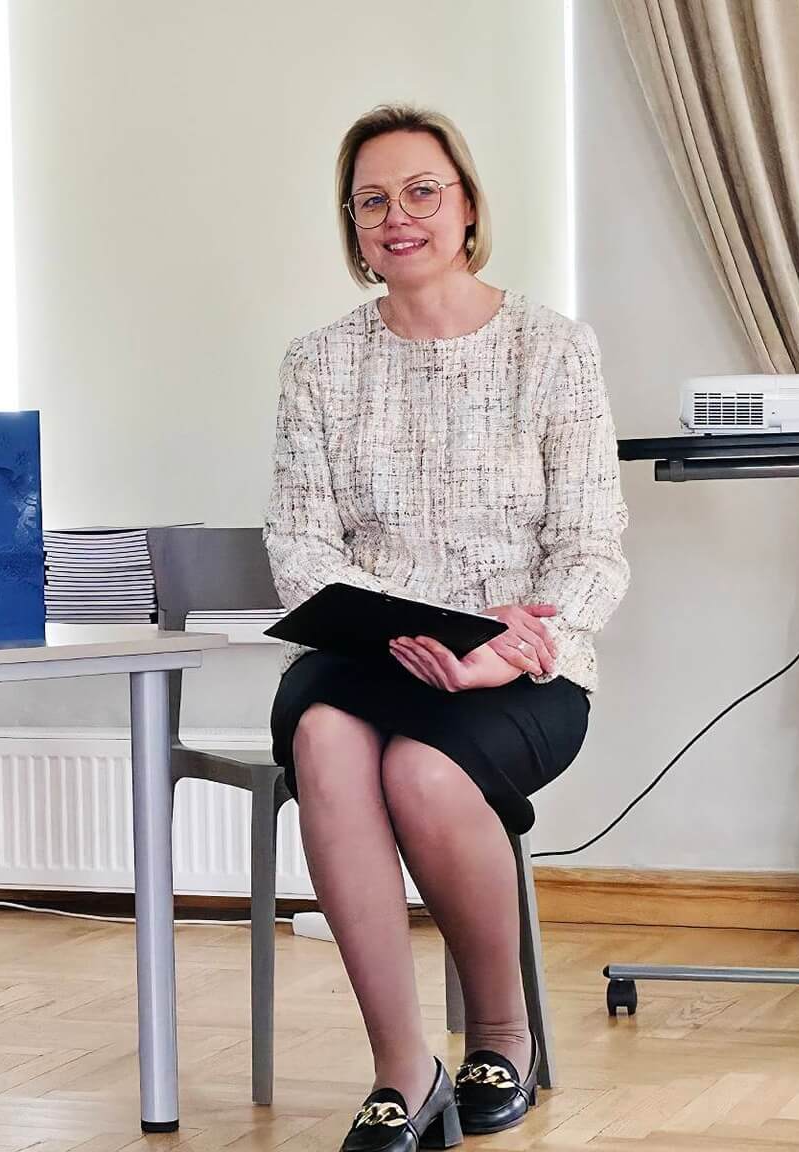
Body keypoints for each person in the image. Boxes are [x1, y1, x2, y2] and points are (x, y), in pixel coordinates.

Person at [264, 105, 628, 1152]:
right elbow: (301, 546)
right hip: (366, 653)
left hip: (523, 668)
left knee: (424, 773)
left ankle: (501, 1036)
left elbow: (591, 548)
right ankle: (403, 1071)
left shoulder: (552, 349)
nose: (398, 216)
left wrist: (506, 651)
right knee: (324, 737)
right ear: (351, 224)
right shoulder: (318, 363)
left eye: (422, 191)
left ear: (467, 206)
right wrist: (395, 635)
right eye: (372, 200)